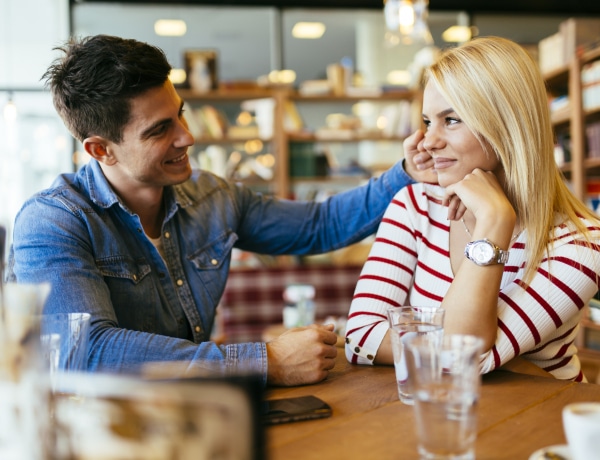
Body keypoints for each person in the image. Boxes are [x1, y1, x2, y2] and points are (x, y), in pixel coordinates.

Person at [7, 34, 434, 387]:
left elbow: (318, 226)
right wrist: (264, 361)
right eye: (160, 130)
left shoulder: (212, 197)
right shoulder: (52, 222)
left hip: (194, 420)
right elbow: (85, 353)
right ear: (101, 149)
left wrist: (405, 172)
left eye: (180, 115)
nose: (187, 137)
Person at [345, 36, 600, 382]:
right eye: (427, 121)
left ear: (507, 126)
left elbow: (458, 357)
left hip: (538, 426)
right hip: (437, 417)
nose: (429, 141)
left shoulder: (580, 245)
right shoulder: (415, 205)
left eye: (451, 120)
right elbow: (359, 338)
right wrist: (459, 350)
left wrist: (494, 221)